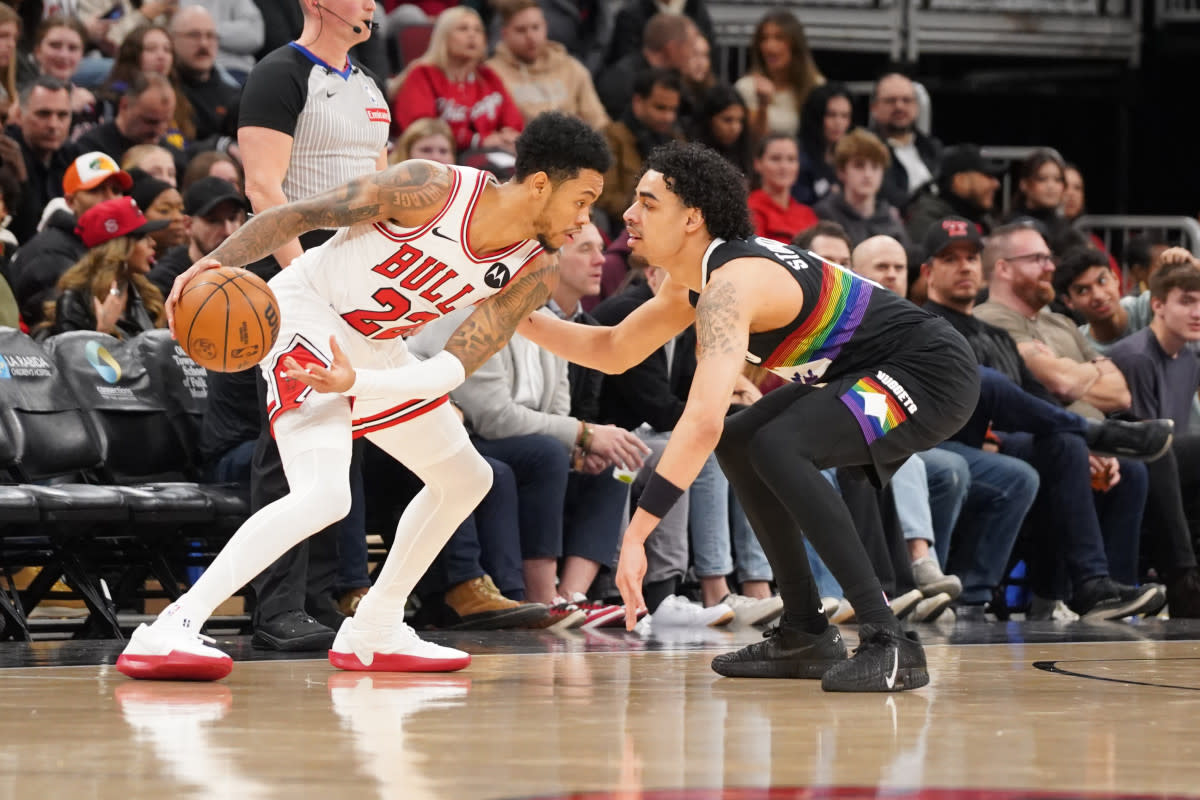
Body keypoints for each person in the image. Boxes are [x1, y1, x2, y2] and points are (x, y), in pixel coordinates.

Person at [115, 111, 611, 681]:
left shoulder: (534, 268)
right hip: (306, 316)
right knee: (326, 495)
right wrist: (215, 263)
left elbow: (453, 366)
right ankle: (172, 625)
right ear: (542, 183)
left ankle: (375, 626)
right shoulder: (430, 188)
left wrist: (360, 384)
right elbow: (296, 216)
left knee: (468, 477)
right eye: (582, 198)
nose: (583, 220)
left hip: (375, 350)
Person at [517, 141, 981, 692]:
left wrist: (638, 533)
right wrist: (514, 316)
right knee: (743, 440)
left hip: (930, 373)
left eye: (648, 202)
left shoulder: (730, 287)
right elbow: (614, 347)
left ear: (692, 218)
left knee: (779, 445)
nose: (628, 214)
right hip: (867, 370)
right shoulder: (698, 279)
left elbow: (699, 420)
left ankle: (888, 640)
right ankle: (805, 630)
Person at [39, 196, 168, 338]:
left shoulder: (146, 295)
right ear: (119, 248)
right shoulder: (76, 302)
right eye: (142, 237)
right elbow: (73, 357)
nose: (152, 243)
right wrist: (102, 332)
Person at [733, 10, 823, 140]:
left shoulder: (816, 86)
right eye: (764, 39)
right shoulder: (747, 87)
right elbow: (751, 140)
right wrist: (763, 105)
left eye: (779, 38)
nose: (770, 46)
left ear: (795, 44)